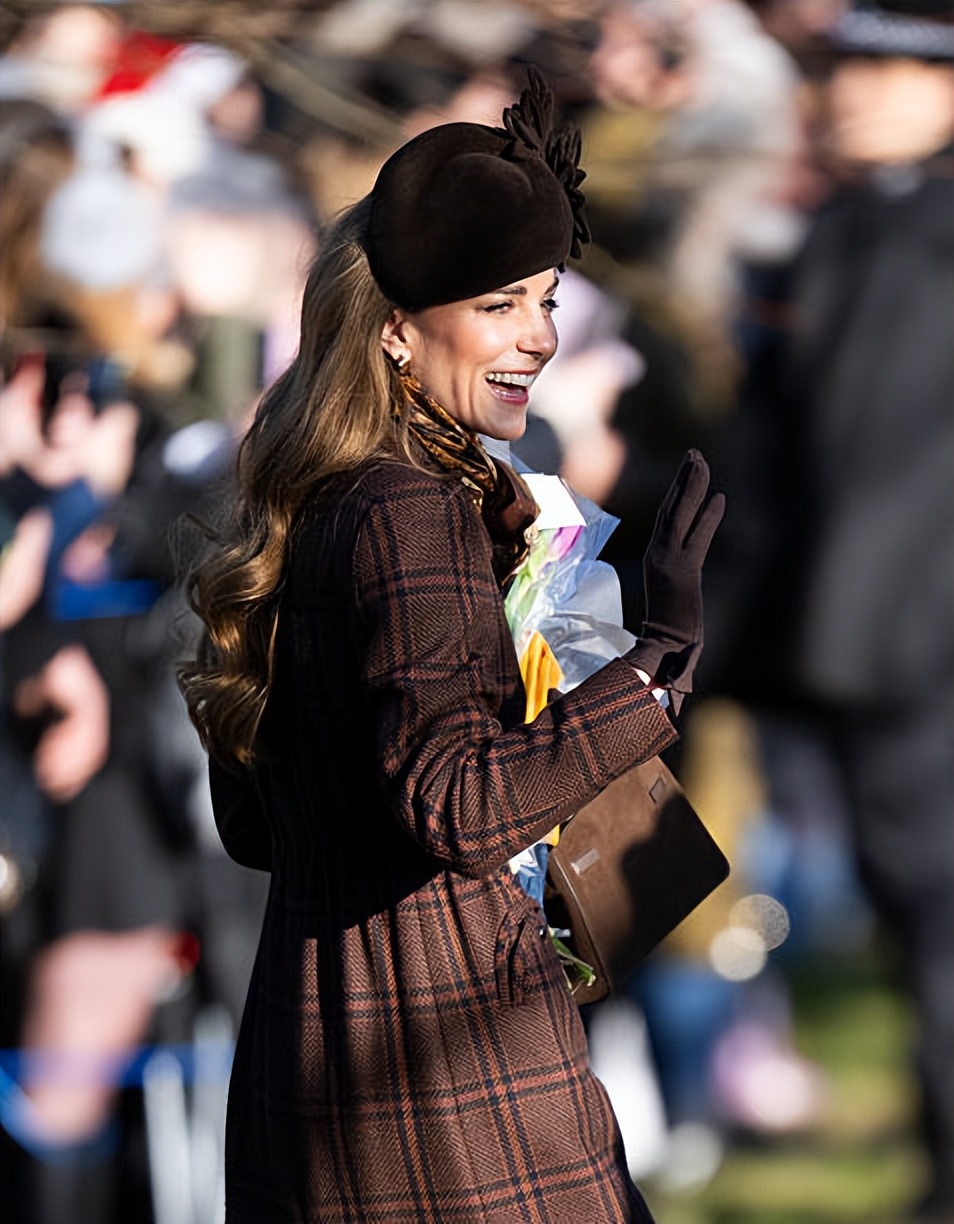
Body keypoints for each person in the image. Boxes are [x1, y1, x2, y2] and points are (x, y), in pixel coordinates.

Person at [180, 68, 724, 1223]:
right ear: (393, 327)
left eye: (547, 300)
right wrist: (655, 663)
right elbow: (462, 806)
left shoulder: (321, 493)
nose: (539, 339)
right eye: (499, 306)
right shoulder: (408, 508)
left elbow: (258, 822)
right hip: (451, 1081)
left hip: (312, 1057)